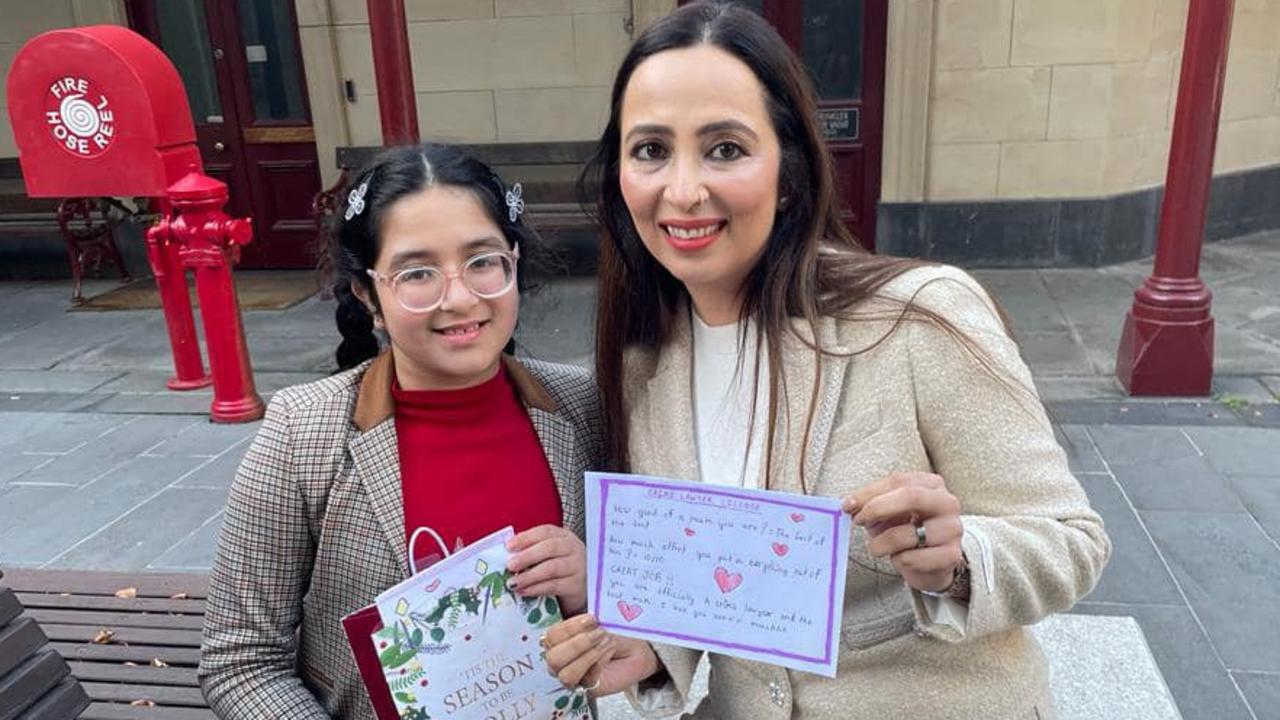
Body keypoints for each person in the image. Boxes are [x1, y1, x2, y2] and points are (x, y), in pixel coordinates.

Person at [542, 3, 1111, 718]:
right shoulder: (640, 365)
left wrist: (957, 559)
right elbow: (711, 579)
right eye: (651, 149)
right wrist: (655, 647)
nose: (683, 190)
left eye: (725, 148)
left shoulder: (918, 315)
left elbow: (1071, 541)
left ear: (788, 172)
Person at [199, 144, 605, 719]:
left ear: (514, 262)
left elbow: (648, 609)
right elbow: (240, 659)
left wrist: (593, 587)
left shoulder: (582, 407)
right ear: (368, 292)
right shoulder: (302, 432)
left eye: (483, 261)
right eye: (417, 273)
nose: (460, 297)